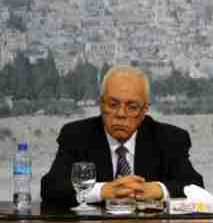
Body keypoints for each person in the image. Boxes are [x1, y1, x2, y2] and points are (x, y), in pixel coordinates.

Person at [41, 65, 203, 207]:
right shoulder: (76, 135)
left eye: (132, 107)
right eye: (113, 104)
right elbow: (51, 188)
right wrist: (104, 190)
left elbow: (195, 186)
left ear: (145, 110)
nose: (121, 114)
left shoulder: (169, 139)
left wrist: (157, 189)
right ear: (101, 104)